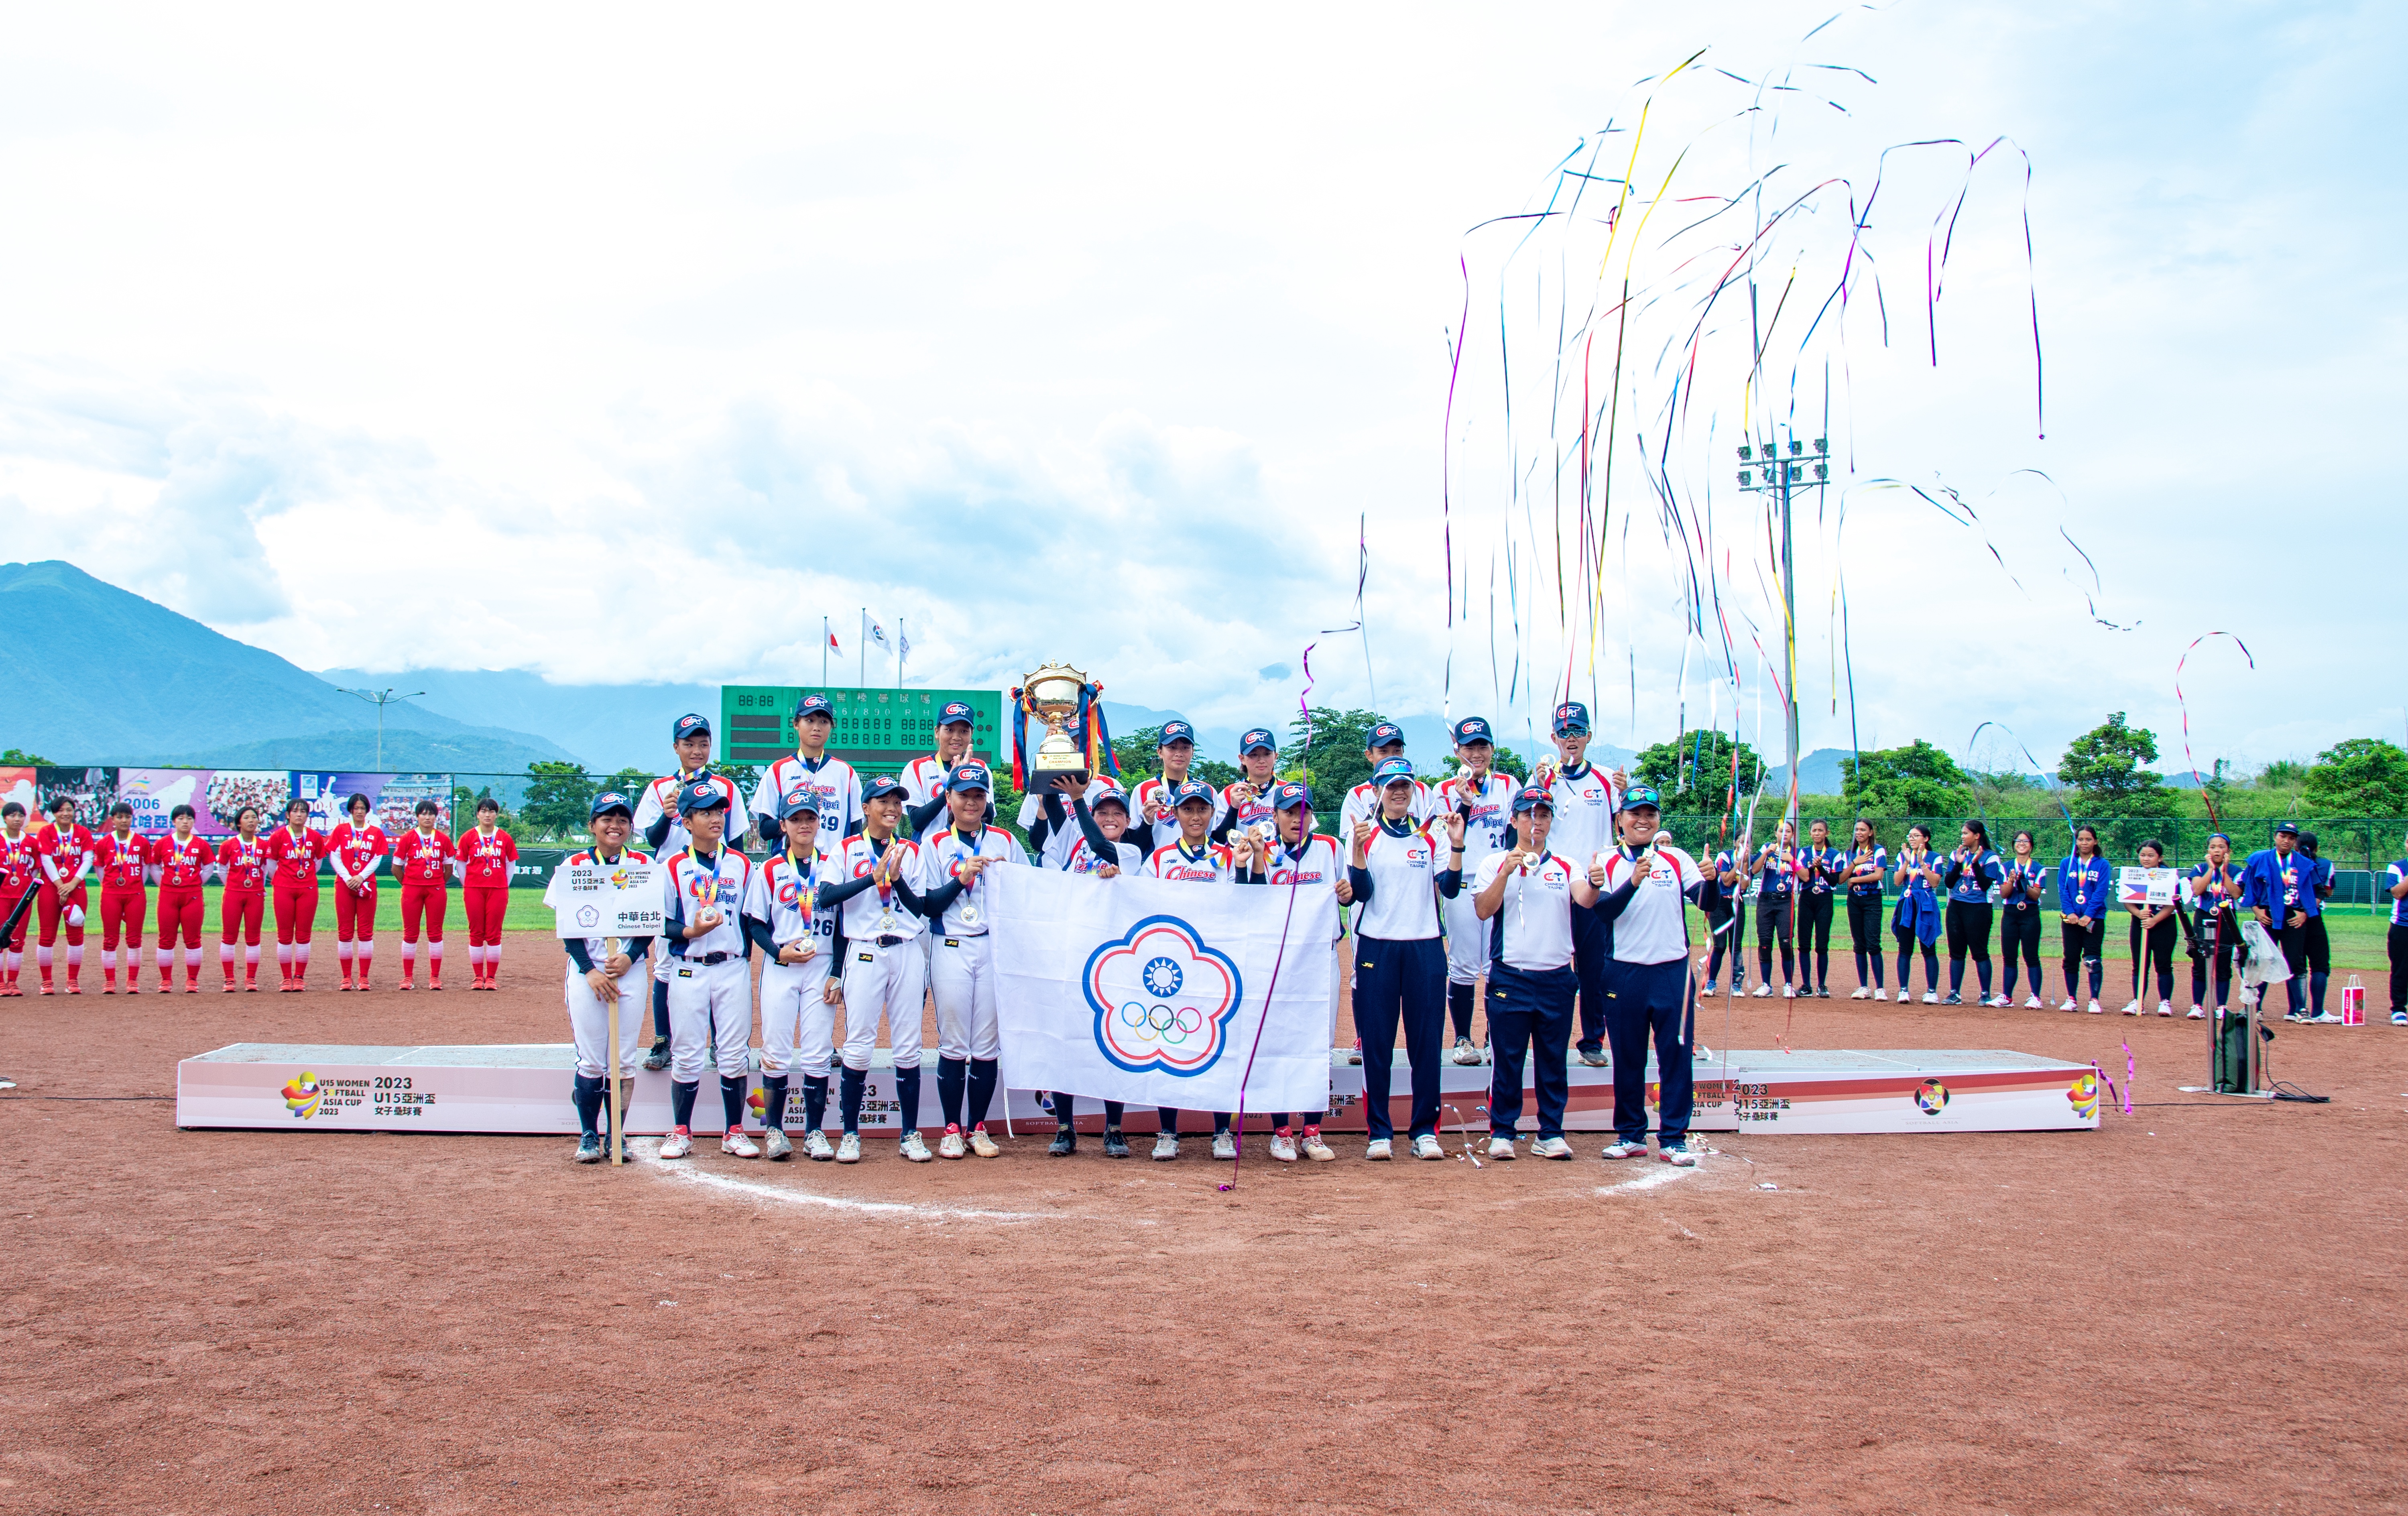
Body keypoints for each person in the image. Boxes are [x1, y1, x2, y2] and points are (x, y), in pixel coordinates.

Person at [1473, 785, 1599, 1159]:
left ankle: (1551, 1132)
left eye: (1543, 815)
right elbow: (1483, 910)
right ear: (1514, 820)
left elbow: (1585, 899)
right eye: (1528, 815)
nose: (1536, 822)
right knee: (1508, 1060)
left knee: (1553, 1060)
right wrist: (1506, 873)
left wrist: (1595, 882)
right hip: (1510, 976)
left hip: (1556, 977)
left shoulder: (1567, 865)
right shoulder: (1494, 863)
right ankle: (1503, 1131)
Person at [818, 776, 934, 1164]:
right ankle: (850, 1134)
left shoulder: (912, 851)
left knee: (909, 1043)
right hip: (865, 950)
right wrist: (872, 877)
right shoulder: (846, 848)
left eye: (897, 802)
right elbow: (826, 896)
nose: (893, 808)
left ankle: (910, 1133)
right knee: (859, 1042)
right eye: (883, 801)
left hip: (906, 950)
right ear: (866, 808)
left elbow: (921, 908)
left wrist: (896, 881)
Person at [1591, 785, 1708, 1165]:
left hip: (1672, 971)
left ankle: (1674, 1138)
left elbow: (1707, 902)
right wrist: (1634, 881)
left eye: (1650, 813)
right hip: (1624, 973)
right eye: (1635, 813)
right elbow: (1604, 912)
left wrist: (1717, 882)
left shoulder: (1676, 858)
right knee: (1628, 1058)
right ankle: (1630, 1135)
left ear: (1658, 819)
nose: (1643, 820)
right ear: (1619, 820)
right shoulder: (1606, 860)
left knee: (1676, 1056)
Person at [1142, 779, 1254, 1160]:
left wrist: (1242, 867)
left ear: (1213, 813)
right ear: (1174, 813)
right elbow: (1141, 905)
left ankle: (1222, 1131)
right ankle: (1167, 1131)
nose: (1195, 816)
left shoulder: (1228, 855)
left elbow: (1242, 904)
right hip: (1170, 965)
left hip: (1214, 963)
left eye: (1202, 809)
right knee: (1167, 1042)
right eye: (1187, 809)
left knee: (1219, 1045)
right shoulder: (1159, 859)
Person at [1350, 759, 1456, 1160]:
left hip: (1425, 946)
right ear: (1376, 789)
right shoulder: (1365, 833)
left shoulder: (1432, 834)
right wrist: (1358, 850)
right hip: (1377, 946)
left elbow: (1450, 888)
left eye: (1405, 786)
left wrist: (1458, 846)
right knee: (1377, 1043)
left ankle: (1425, 1131)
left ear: (1414, 790)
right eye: (1390, 785)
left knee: (1426, 1044)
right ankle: (1379, 1132)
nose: (1398, 792)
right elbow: (1361, 893)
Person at [917, 762, 1022, 1160]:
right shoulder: (933, 845)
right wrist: (961, 878)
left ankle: (977, 1127)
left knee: (986, 1043)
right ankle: (950, 1128)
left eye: (979, 795)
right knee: (954, 1041)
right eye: (963, 795)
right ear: (949, 799)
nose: (971, 802)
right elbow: (929, 905)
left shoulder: (1004, 841)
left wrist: (1007, 879)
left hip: (992, 947)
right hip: (951, 944)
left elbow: (1026, 893)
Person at [543, 792, 655, 1164]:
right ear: (592, 825)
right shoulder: (574, 865)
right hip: (587, 973)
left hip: (629, 972)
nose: (615, 826)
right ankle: (589, 1134)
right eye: (607, 819)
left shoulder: (643, 865)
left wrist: (630, 956)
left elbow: (650, 921)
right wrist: (589, 970)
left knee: (623, 1060)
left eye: (622, 819)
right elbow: (567, 926)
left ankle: (616, 1135)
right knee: (591, 1060)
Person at [640, 712, 755, 1065]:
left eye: (703, 744)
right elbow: (652, 840)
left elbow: (736, 842)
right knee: (665, 966)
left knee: (722, 961)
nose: (696, 750)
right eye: (688, 743)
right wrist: (667, 815)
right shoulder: (660, 788)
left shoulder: (726, 788)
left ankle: (721, 1042)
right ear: (675, 747)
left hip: (718, 884)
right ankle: (663, 1041)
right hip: (676, 886)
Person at [655, 781, 760, 1160]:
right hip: (689, 968)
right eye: (705, 812)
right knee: (687, 1052)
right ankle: (681, 1131)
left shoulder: (741, 864)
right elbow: (661, 921)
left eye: (719, 811)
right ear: (686, 821)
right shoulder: (671, 866)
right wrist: (691, 931)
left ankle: (735, 1131)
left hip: (731, 967)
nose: (716, 818)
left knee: (733, 1052)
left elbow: (751, 918)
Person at [1044, 779, 1142, 1157]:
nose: (1110, 818)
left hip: (1115, 960)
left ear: (1129, 820)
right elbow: (1054, 809)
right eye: (1102, 812)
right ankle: (1064, 1127)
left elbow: (1103, 848)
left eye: (1118, 813)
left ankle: (1114, 1128)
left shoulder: (1131, 852)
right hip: (1073, 953)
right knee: (1065, 1040)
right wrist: (1052, 773)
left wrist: (1080, 799)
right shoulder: (1073, 843)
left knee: (1113, 1043)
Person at [1526, 701, 1625, 1068]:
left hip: (1593, 886)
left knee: (1593, 967)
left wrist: (1625, 791)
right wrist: (1539, 785)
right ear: (1553, 737)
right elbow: (1525, 826)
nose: (1571, 739)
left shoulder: (1607, 779)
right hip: (1552, 884)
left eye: (1578, 731)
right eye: (1564, 732)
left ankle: (1592, 1040)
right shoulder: (1542, 779)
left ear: (1589, 736)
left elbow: (1626, 824)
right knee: (1548, 962)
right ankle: (1544, 1037)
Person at [744, 788, 840, 1161]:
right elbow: (755, 924)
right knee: (776, 1050)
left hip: (821, 965)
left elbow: (844, 926)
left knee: (818, 1052)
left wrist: (837, 973)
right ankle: (775, 1130)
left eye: (810, 818)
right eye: (796, 819)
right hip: (782, 965)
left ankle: (815, 1131)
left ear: (819, 822)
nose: (804, 825)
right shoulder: (769, 869)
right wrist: (777, 951)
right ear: (782, 825)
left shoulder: (832, 865)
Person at [1258, 780, 1347, 1162]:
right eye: (1289, 812)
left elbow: (1351, 890)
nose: (1297, 819)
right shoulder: (1264, 850)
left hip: (1321, 955)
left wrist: (1348, 892)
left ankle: (1312, 1131)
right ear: (1275, 815)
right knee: (1278, 1043)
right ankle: (1281, 1132)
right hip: (1278, 959)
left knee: (1319, 1045)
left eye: (1304, 811)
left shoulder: (1330, 847)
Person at [1429, 718, 1514, 1066]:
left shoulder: (1508, 785)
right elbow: (1447, 834)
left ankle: (1496, 1037)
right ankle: (1463, 1039)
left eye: (1483, 746)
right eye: (1469, 747)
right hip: (1462, 882)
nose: (1476, 753)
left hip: (1497, 882)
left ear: (1492, 749)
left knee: (1497, 964)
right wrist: (1465, 802)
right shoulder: (1442, 789)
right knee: (1463, 965)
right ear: (1458, 751)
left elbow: (1514, 833)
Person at [2243, 822, 2314, 1022]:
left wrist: (2305, 913)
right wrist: (2256, 910)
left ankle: (2301, 1009)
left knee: (2296, 962)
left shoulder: (2303, 863)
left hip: (2293, 917)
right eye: (2283, 836)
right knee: (2261, 960)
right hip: (2266, 915)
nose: (2287, 841)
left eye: (2291, 838)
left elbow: (2312, 890)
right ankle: (2255, 1008)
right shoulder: (2260, 859)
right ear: (2275, 837)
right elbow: (2250, 887)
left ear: (2295, 842)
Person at [1126, 720, 1225, 855]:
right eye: (1172, 748)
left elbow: (1212, 838)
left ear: (1193, 752)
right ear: (1160, 752)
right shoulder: (1143, 790)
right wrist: (1147, 822)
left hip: (1196, 865)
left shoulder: (1208, 791)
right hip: (1156, 865)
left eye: (1185, 748)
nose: (1179, 753)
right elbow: (1133, 846)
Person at [260, 797, 327, 992]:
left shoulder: (315, 837)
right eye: (295, 811)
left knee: (304, 935)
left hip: (308, 889)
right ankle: (286, 978)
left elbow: (317, 863)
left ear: (307, 816)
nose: (299, 815)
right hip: (284, 889)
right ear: (288, 815)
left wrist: (304, 877)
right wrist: (285, 879)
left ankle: (299, 978)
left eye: (303, 811)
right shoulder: (278, 836)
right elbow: (271, 865)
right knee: (285, 935)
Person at [32, 795, 96, 994]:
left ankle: (73, 981)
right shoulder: (46, 832)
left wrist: (72, 884)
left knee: (76, 935)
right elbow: (46, 860)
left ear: (75, 812)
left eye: (69, 810)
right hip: (51, 887)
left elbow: (88, 859)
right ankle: (47, 982)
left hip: (76, 887)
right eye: (61, 810)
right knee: (47, 935)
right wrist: (61, 886)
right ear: (54, 813)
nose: (66, 814)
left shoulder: (83, 832)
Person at [901, 701, 986, 845]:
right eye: (949, 730)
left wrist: (968, 782)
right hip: (929, 851)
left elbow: (988, 817)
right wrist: (953, 782)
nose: (957, 737)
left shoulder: (980, 767)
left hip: (972, 849)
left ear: (971, 735)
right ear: (937, 732)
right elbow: (917, 821)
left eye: (964, 731)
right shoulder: (917, 767)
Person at [327, 793, 388, 991]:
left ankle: (364, 977)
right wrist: (348, 878)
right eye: (356, 808)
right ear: (351, 811)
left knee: (365, 932)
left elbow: (377, 858)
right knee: (345, 933)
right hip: (345, 885)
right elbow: (334, 856)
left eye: (363, 808)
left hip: (367, 884)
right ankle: (346, 977)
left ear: (367, 811)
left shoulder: (375, 832)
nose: (359, 812)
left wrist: (361, 877)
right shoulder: (341, 830)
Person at [392, 800, 454, 991]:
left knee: (435, 933)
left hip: (436, 889)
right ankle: (407, 977)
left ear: (436, 817)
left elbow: (449, 868)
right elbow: (396, 868)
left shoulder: (443, 840)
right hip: (412, 890)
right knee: (410, 934)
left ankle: (435, 978)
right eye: (424, 814)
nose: (428, 817)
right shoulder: (407, 838)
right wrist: (409, 884)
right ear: (417, 816)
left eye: (431, 814)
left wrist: (438, 883)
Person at [1940, 820, 2003, 1007]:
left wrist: (1975, 864)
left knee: (1980, 952)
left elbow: (1985, 885)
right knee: (1956, 953)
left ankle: (1985, 994)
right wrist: (1958, 864)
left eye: (1966, 833)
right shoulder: (1957, 854)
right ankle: (1954, 993)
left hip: (1979, 908)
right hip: (1956, 907)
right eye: (1962, 833)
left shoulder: (1991, 858)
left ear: (1977, 836)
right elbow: (1949, 883)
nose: (1962, 836)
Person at [152, 804, 212, 993]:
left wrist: (194, 883)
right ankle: (166, 981)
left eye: (189, 818)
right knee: (166, 940)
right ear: (174, 822)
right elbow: (154, 867)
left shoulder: (201, 845)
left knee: (193, 940)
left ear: (194, 822)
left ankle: (192, 980)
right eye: (181, 819)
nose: (185, 822)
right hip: (168, 896)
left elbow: (209, 868)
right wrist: (165, 884)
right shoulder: (162, 843)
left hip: (192, 896)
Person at [1338, 721, 1434, 834]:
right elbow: (1356, 839)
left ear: (1403, 752)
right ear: (1370, 755)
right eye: (1383, 751)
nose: (1391, 757)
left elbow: (1433, 832)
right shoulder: (1357, 795)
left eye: (1397, 751)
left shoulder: (1421, 790)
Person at [2187, 833, 2245, 1020]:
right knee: (2200, 961)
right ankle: (2197, 1005)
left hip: (2227, 918)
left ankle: (2221, 1006)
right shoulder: (2200, 868)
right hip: (2204, 915)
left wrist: (2224, 871)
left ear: (2228, 851)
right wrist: (2212, 869)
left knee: (2223, 962)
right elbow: (2197, 890)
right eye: (2213, 847)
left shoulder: (2237, 871)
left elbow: (2236, 893)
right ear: (2208, 850)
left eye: (2221, 847)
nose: (2217, 851)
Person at [94, 802, 149, 995]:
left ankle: (132, 981)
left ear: (132, 819)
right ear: (113, 820)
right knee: (110, 940)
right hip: (111, 895)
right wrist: (110, 886)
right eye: (120, 817)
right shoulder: (103, 843)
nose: (124, 821)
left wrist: (135, 887)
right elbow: (100, 870)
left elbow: (145, 869)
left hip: (135, 895)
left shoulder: (142, 842)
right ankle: (110, 981)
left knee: (134, 940)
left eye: (127, 817)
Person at [2121, 839, 2179, 1017]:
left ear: (2160, 858)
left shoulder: (2169, 876)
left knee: (2164, 964)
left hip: (2164, 925)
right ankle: (2138, 1001)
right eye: (2143, 855)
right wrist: (2139, 914)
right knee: (2139, 965)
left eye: (2151, 856)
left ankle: (2165, 1002)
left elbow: (2173, 904)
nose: (2146, 859)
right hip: (2140, 924)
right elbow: (2128, 901)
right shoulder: (2133, 874)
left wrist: (2155, 920)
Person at [216, 805, 269, 991]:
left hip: (255, 895)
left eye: (254, 817)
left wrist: (259, 888)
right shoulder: (228, 845)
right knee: (229, 937)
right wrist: (233, 886)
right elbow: (222, 870)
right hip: (233, 894)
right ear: (239, 823)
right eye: (247, 818)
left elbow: (264, 870)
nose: (251, 821)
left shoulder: (263, 846)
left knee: (253, 938)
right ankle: (229, 979)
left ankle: (251, 979)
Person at [2058, 825, 2109, 1013]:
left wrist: (2089, 915)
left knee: (2093, 959)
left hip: (2094, 919)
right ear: (2076, 842)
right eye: (2081, 839)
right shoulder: (2067, 863)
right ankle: (2071, 998)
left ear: (2095, 842)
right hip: (2071, 919)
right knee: (2071, 958)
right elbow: (2063, 890)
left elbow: (2101, 892)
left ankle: (2094, 1000)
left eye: (2088, 839)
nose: (2084, 843)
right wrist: (2070, 912)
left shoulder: (2102, 865)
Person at [1890, 824, 1943, 1003]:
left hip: (1926, 904)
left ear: (1926, 839)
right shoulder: (1902, 856)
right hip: (1907, 903)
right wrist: (1907, 861)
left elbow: (1935, 882)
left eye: (1915, 836)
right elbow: (1897, 882)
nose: (1911, 839)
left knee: (1929, 948)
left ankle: (1932, 992)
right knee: (1905, 949)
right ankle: (1903, 991)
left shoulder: (1935, 858)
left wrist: (1921, 863)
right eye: (1910, 836)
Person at [1749, 819, 1800, 998]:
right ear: (1776, 833)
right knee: (1765, 943)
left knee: (1786, 943)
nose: (1784, 834)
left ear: (1792, 835)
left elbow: (1805, 876)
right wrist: (1766, 853)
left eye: (1788, 831)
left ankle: (1788, 985)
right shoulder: (1767, 848)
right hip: (1766, 900)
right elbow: (1754, 870)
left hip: (1786, 901)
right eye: (1781, 831)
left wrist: (1791, 860)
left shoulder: (1797, 853)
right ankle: (1766, 985)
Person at [1998, 830, 2047, 1008]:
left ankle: (2036, 997)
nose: (2022, 844)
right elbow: (2004, 894)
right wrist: (2011, 881)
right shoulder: (2005, 867)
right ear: (2013, 845)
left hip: (2030, 914)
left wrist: (2024, 882)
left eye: (2026, 841)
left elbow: (2035, 896)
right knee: (2009, 957)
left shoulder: (2039, 869)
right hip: (2010, 913)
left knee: (2031, 956)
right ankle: (2007, 997)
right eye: (2018, 841)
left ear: (2031, 846)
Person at [1700, 830, 1751, 998]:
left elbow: (1743, 886)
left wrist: (1744, 864)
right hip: (1720, 904)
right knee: (1720, 945)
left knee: (1736, 946)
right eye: (1741, 842)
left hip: (1737, 903)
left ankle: (1737, 985)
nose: (1744, 845)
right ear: (1735, 843)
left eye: (1748, 843)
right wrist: (1738, 864)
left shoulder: (1748, 861)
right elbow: (1727, 880)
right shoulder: (1724, 856)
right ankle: (1711, 983)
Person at [1795, 819, 1841, 998]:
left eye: (1821, 830)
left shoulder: (1834, 855)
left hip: (1825, 899)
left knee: (1822, 945)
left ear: (1826, 833)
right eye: (1814, 831)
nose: (1817, 833)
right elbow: (1804, 877)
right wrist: (1811, 866)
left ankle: (1822, 985)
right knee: (1804, 944)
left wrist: (1820, 868)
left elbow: (1834, 881)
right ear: (1810, 833)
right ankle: (1806, 985)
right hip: (1807, 898)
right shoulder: (1803, 853)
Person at [1842, 820, 1888, 999]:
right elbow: (1841, 879)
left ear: (1871, 832)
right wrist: (1855, 863)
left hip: (1872, 899)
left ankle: (1880, 988)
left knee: (1873, 943)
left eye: (1863, 830)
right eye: (1857, 830)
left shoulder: (1878, 850)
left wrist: (1854, 879)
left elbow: (1878, 875)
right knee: (1859, 944)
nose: (1859, 833)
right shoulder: (1850, 854)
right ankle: (1864, 987)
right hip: (1854, 900)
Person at [1218, 728, 1283, 853]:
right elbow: (1218, 841)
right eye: (1254, 755)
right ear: (1242, 759)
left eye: (1267, 754)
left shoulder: (1289, 791)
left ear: (1276, 756)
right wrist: (1233, 808)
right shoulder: (1229, 793)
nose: (1261, 760)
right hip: (1240, 862)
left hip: (1279, 861)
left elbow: (1302, 834)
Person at [2296, 831, 2338, 1023]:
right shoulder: (2326, 865)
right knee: (2320, 965)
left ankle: (2295, 1009)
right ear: (2317, 848)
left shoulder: (2289, 862)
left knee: (2296, 966)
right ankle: (2318, 1011)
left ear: (2295, 846)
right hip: (2313, 915)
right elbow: (2328, 891)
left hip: (2291, 916)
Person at [0, 803, 33, 995]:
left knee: (18, 940)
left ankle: (12, 982)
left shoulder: (30, 843)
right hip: (2, 897)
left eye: (21, 815)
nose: (17, 819)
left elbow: (34, 870)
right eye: (13, 815)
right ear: (5, 818)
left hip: (22, 899)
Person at [2385, 833, 2408, 1027]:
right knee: (2401, 969)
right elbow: (2398, 893)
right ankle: (2399, 1009)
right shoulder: (2397, 867)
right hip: (2402, 926)